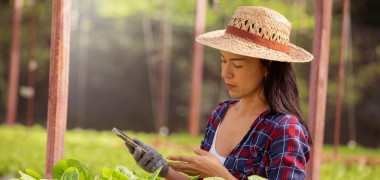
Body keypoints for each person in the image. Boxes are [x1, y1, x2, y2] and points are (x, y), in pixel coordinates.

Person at [125, 6, 313, 180]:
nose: (225, 73)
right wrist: (162, 168)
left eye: (237, 65)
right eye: (223, 61)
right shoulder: (221, 113)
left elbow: (216, 174)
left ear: (268, 67)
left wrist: (220, 174)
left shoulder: (285, 129)